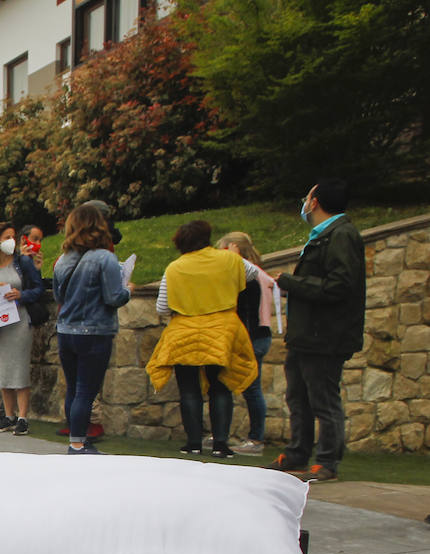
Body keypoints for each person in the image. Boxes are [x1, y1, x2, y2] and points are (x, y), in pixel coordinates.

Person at [266, 179, 365, 483]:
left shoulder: (341, 235)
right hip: (306, 334)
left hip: (325, 335)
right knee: (298, 397)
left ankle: (327, 460)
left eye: (307, 197)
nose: (304, 202)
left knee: (323, 399)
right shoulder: (323, 236)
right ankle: (297, 452)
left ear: (315, 202)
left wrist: (291, 283)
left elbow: (340, 286)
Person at [146, 221, 259, 458]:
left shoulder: (175, 268)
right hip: (221, 331)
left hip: (184, 331)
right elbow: (253, 273)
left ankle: (193, 443)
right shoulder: (229, 260)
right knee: (220, 387)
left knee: (189, 389)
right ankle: (220, 444)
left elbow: (162, 306)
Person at [52, 204, 132, 454]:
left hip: (66, 331)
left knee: (74, 389)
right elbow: (113, 297)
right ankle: (78, 444)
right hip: (95, 332)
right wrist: (129, 289)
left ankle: (75, 440)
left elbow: (58, 295)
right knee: (87, 390)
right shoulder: (105, 258)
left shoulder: (62, 260)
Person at [0, 222, 44, 436]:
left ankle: (23, 416)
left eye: (13, 237)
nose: (11, 241)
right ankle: (8, 415)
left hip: (20, 321)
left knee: (20, 368)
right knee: (3, 370)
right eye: (6, 237)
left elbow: (38, 288)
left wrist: (20, 294)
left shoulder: (22, 262)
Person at [216, 231, 278, 454]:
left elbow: (244, 310)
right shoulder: (259, 273)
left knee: (249, 388)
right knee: (245, 387)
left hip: (251, 338)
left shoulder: (248, 274)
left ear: (233, 248)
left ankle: (255, 439)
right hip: (260, 336)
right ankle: (238, 436)